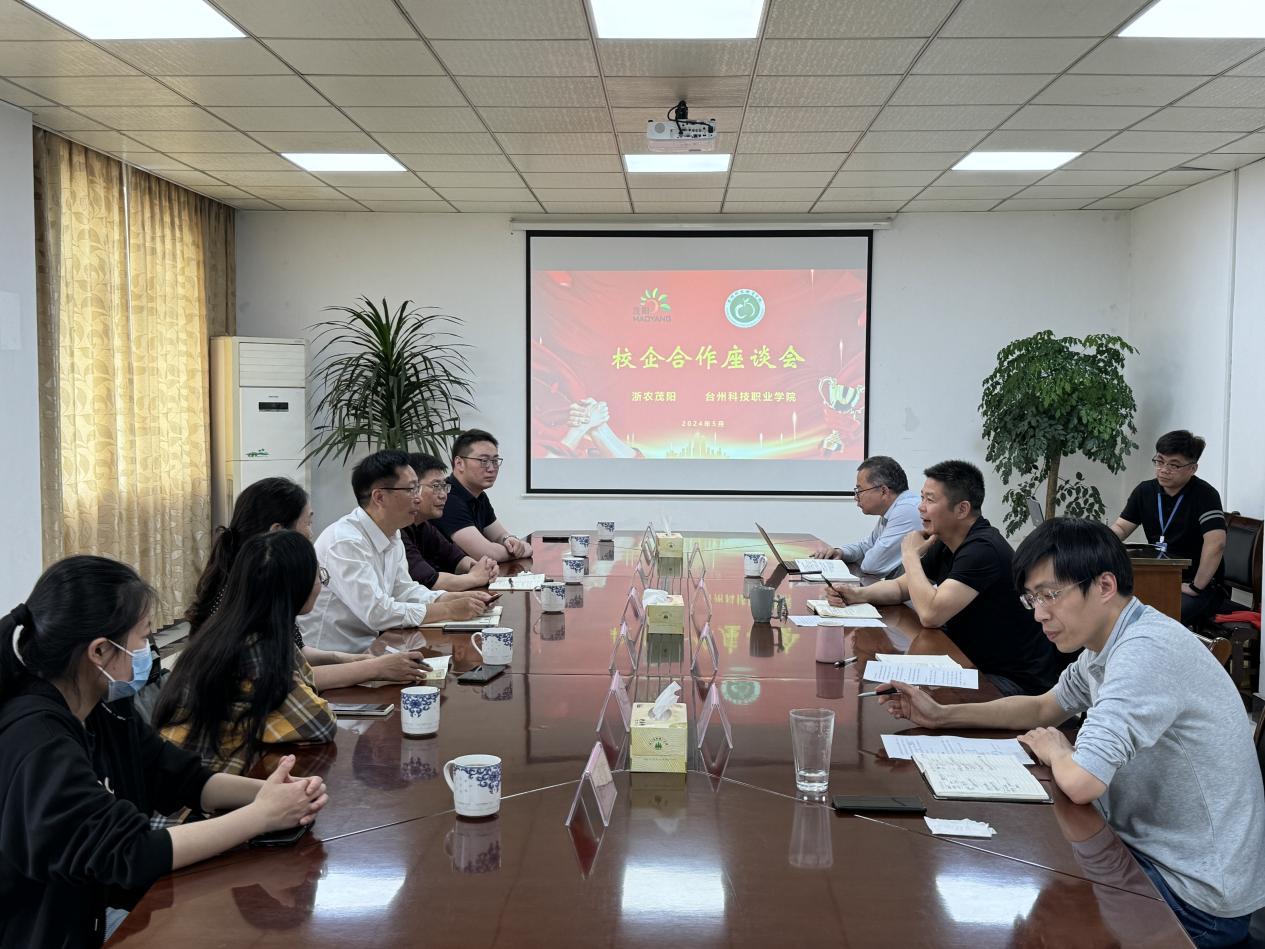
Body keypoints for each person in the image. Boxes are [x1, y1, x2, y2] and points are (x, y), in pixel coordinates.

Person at [878, 518, 1265, 948]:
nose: (1040, 613)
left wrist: (1058, 749)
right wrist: (942, 716)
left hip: (1194, 896)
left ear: (1104, 585)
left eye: (1050, 595)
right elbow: (1044, 706)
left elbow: (1082, 781)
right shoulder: (1110, 641)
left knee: (1008, 911)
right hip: (1146, 852)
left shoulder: (1143, 652)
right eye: (1032, 598)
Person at [0, 556, 328, 948]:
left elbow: (180, 776)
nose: (150, 651)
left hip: (90, 913)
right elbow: (130, 851)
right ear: (99, 651)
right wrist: (261, 816)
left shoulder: (101, 707)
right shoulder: (38, 739)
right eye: (143, 638)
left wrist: (279, 794)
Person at [828, 460, 1062, 695]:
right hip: (967, 661)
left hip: (1010, 680)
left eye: (929, 500)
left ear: (962, 509)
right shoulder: (944, 541)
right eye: (922, 498)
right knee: (899, 695)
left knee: (910, 702)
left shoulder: (983, 549)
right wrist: (857, 594)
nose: (920, 508)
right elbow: (900, 588)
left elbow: (931, 615)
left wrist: (910, 556)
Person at [186, 477, 435, 690]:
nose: (311, 534)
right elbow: (284, 681)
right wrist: (373, 669)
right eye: (308, 523)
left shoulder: (265, 577)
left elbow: (294, 651)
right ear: (277, 531)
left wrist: (345, 659)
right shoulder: (243, 592)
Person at [154, 531, 338, 782]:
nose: (320, 584)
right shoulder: (255, 650)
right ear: (297, 586)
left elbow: (304, 687)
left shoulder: (228, 631)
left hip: (190, 783)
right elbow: (319, 723)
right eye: (318, 575)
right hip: (198, 797)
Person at [299, 450, 491, 654]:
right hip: (335, 657)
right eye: (411, 489)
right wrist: (448, 610)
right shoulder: (345, 542)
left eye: (418, 488)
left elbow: (403, 591)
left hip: (374, 647)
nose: (418, 498)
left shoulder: (392, 533)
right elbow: (376, 612)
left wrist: (448, 598)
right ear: (379, 497)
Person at [1111, 430, 1227, 625]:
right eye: (1159, 461)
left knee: (1150, 620)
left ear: (1192, 468)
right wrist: (1097, 542)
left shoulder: (1206, 495)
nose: (1163, 469)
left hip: (1196, 585)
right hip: (1157, 577)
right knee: (1111, 608)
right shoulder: (1145, 491)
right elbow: (1121, 528)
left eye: (1174, 465)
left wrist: (1196, 587)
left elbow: (1216, 544)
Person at [402, 452, 500, 591]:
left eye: (444, 487)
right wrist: (475, 577)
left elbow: (456, 559)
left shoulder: (424, 526)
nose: (443, 495)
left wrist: (481, 568)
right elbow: (430, 581)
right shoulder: (398, 530)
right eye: (436, 486)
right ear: (413, 488)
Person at [432, 429, 534, 562]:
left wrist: (509, 539)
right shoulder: (447, 498)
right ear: (459, 463)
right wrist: (521, 550)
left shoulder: (480, 496)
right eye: (484, 461)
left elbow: (499, 535)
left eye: (495, 461)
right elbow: (487, 553)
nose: (491, 468)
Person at [812, 455, 921, 577]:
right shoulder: (893, 509)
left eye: (860, 491)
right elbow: (866, 546)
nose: (855, 497)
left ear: (883, 491)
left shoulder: (907, 510)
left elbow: (872, 566)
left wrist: (862, 556)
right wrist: (841, 552)